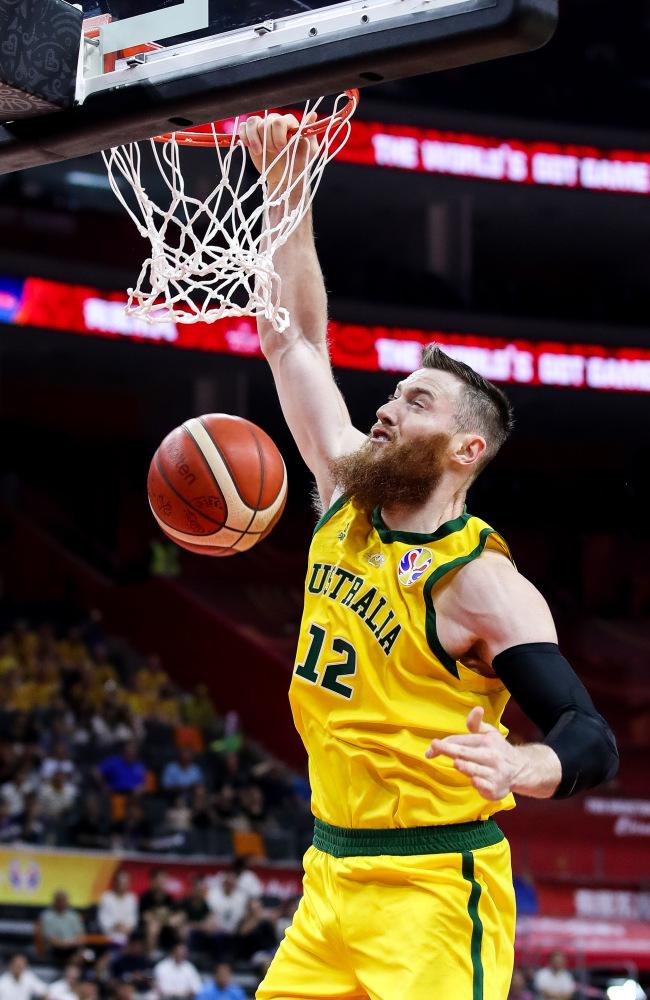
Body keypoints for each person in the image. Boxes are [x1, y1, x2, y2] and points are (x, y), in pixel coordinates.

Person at [238, 115, 620, 1000]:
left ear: (465, 452)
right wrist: (286, 182)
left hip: (432, 888)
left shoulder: (478, 583)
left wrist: (523, 767)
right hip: (329, 876)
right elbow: (293, 340)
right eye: (394, 394)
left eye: (415, 403)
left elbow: (589, 737)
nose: (385, 409)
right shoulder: (343, 494)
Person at [38, 890, 85, 964]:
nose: (61, 903)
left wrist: (70, 943)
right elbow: (50, 939)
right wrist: (64, 944)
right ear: (54, 901)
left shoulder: (74, 916)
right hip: (55, 949)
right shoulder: (47, 916)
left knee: (83, 954)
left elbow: (80, 937)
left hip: (72, 948)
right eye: (59, 900)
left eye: (64, 900)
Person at [98, 870, 139, 942]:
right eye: (121, 882)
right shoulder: (106, 897)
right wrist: (116, 926)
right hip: (110, 933)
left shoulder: (132, 898)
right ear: (115, 883)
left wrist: (127, 927)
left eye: (126, 882)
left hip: (128, 934)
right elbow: (103, 919)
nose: (124, 885)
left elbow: (133, 919)